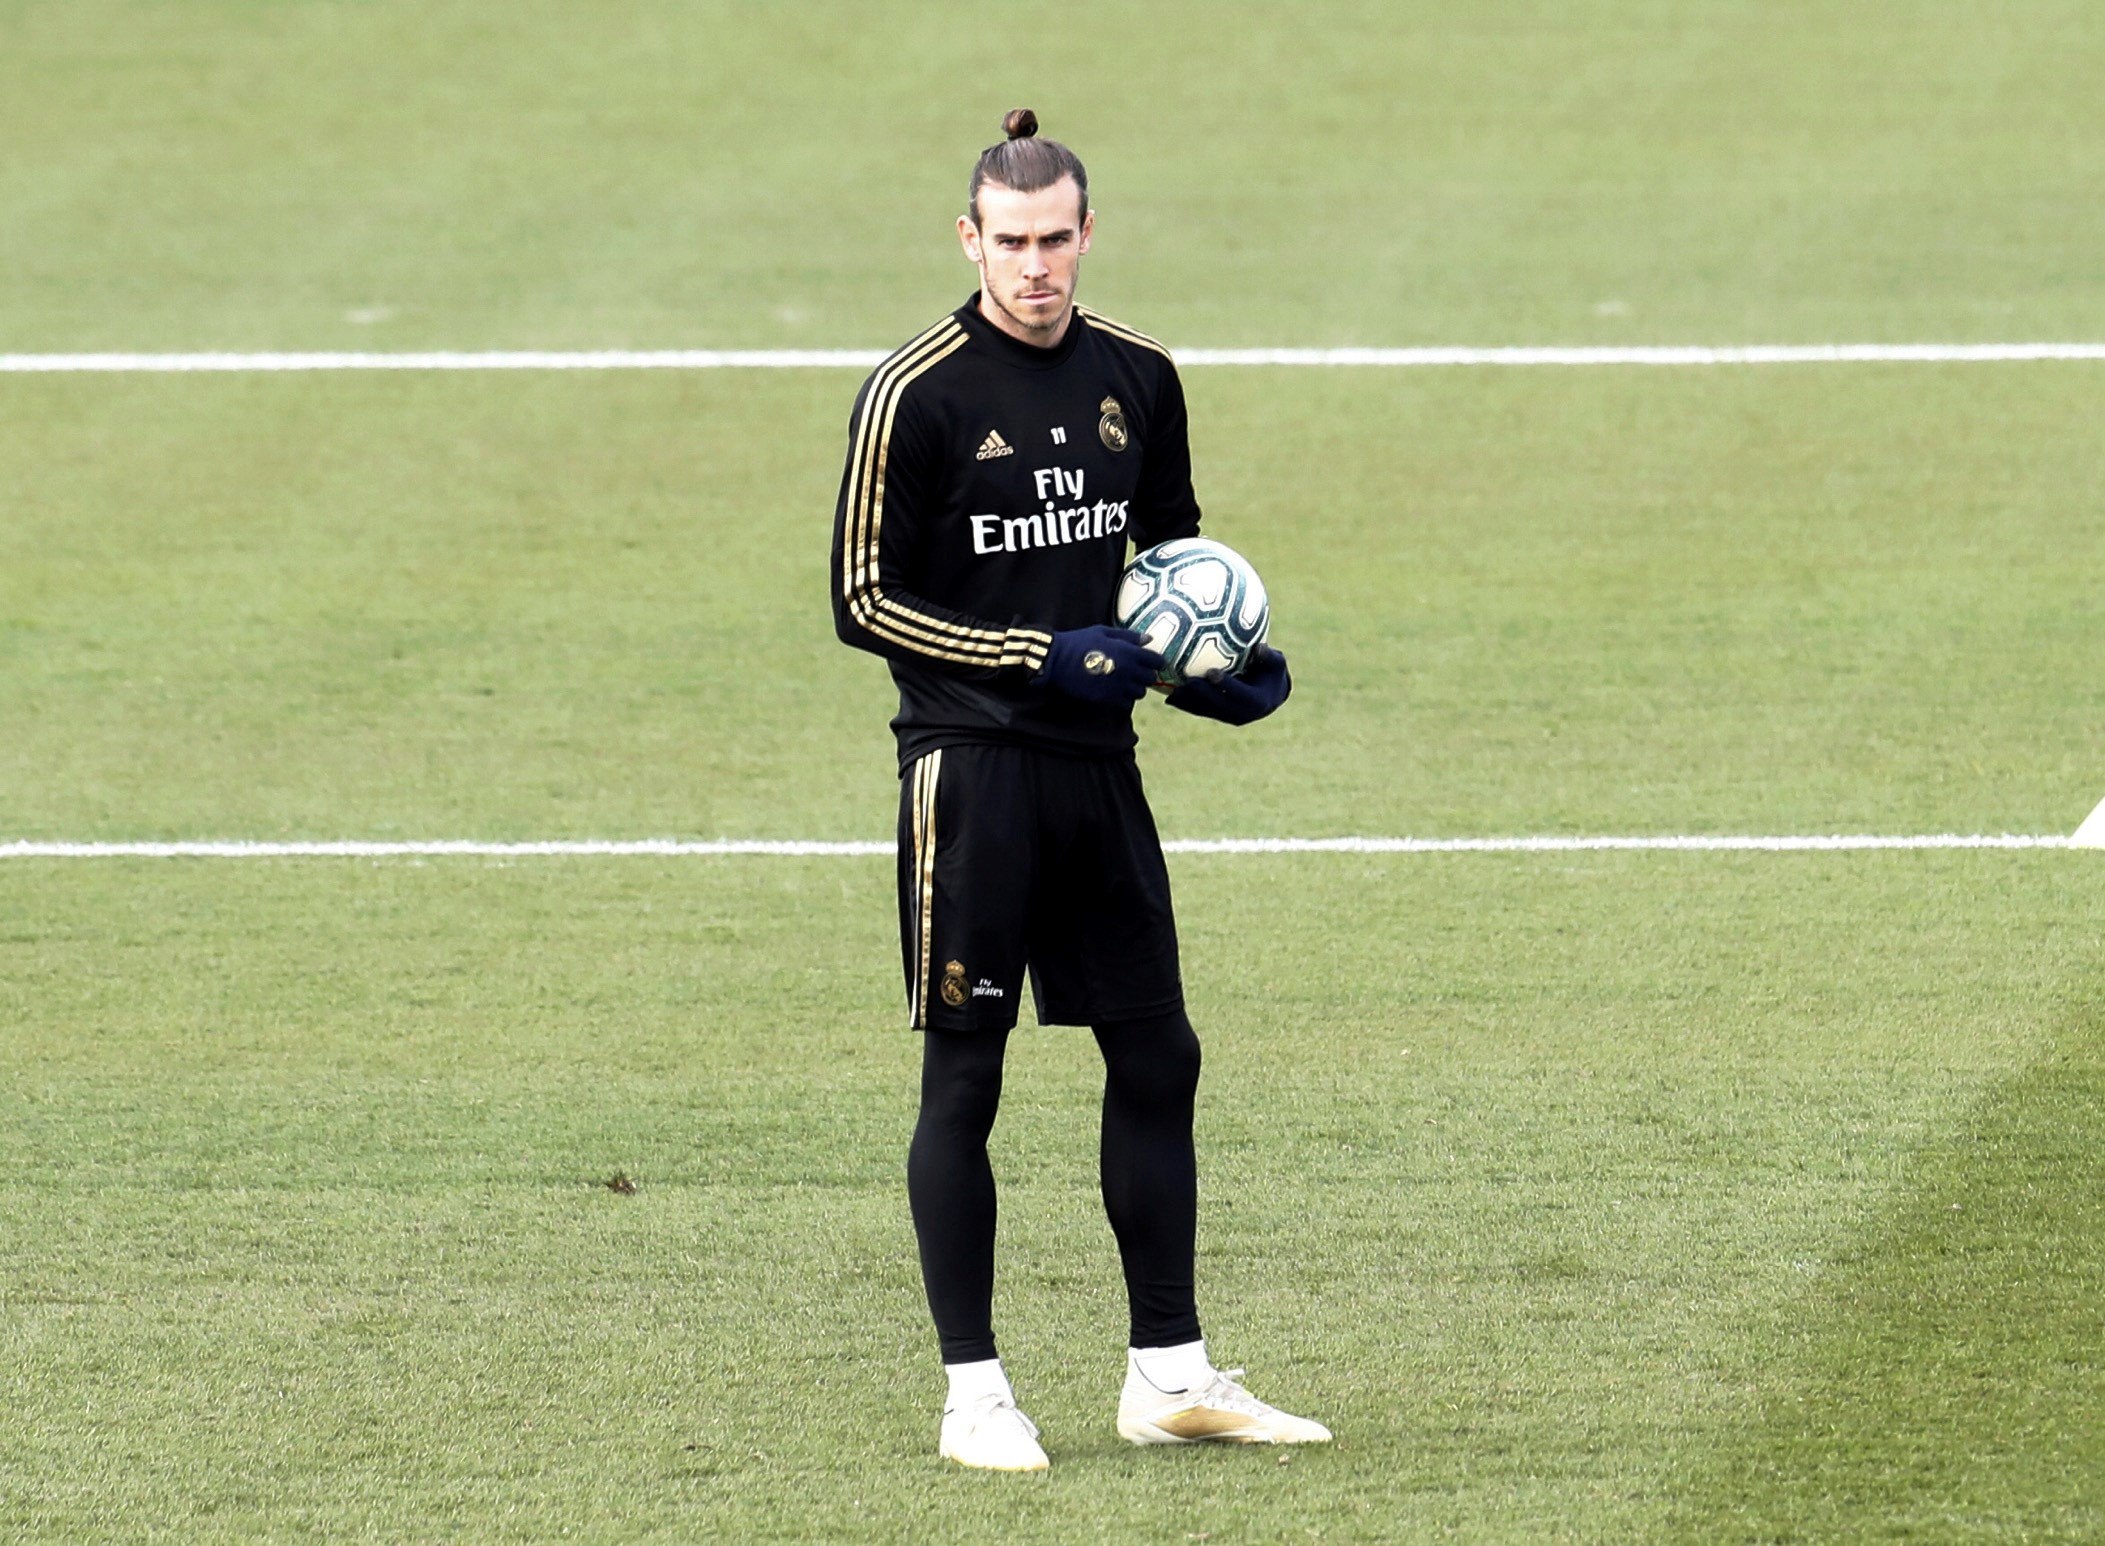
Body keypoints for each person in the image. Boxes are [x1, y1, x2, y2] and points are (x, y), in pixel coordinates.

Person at [829, 109, 1329, 1473]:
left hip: (1098, 772)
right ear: (969, 239)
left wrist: (1206, 672)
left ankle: (1169, 1374)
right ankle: (974, 1396)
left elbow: (1165, 558)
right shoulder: (914, 393)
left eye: (1055, 239)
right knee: (965, 1077)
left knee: (1159, 1053)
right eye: (1012, 241)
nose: (1035, 265)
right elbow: (862, 599)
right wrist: (1035, 654)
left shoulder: (1139, 375)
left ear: (1088, 232)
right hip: (972, 771)